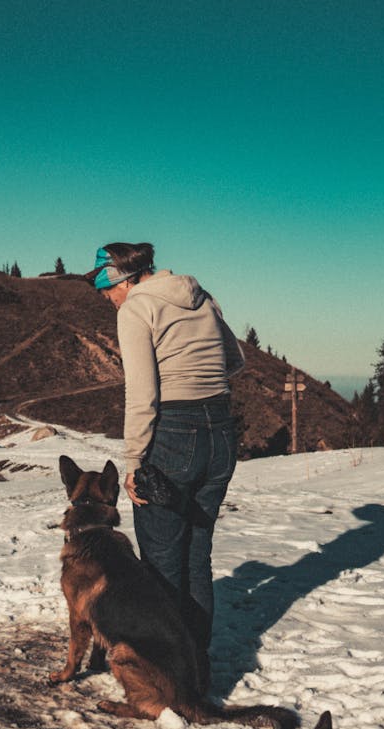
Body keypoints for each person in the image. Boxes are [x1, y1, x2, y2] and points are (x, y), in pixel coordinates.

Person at [84, 242, 244, 692]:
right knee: (196, 557)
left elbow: (142, 394)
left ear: (120, 280)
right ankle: (197, 671)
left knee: (160, 563)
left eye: (107, 293)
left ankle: (169, 678)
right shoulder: (200, 296)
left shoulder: (136, 309)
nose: (109, 302)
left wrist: (134, 461)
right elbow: (236, 360)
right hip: (221, 432)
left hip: (173, 432)